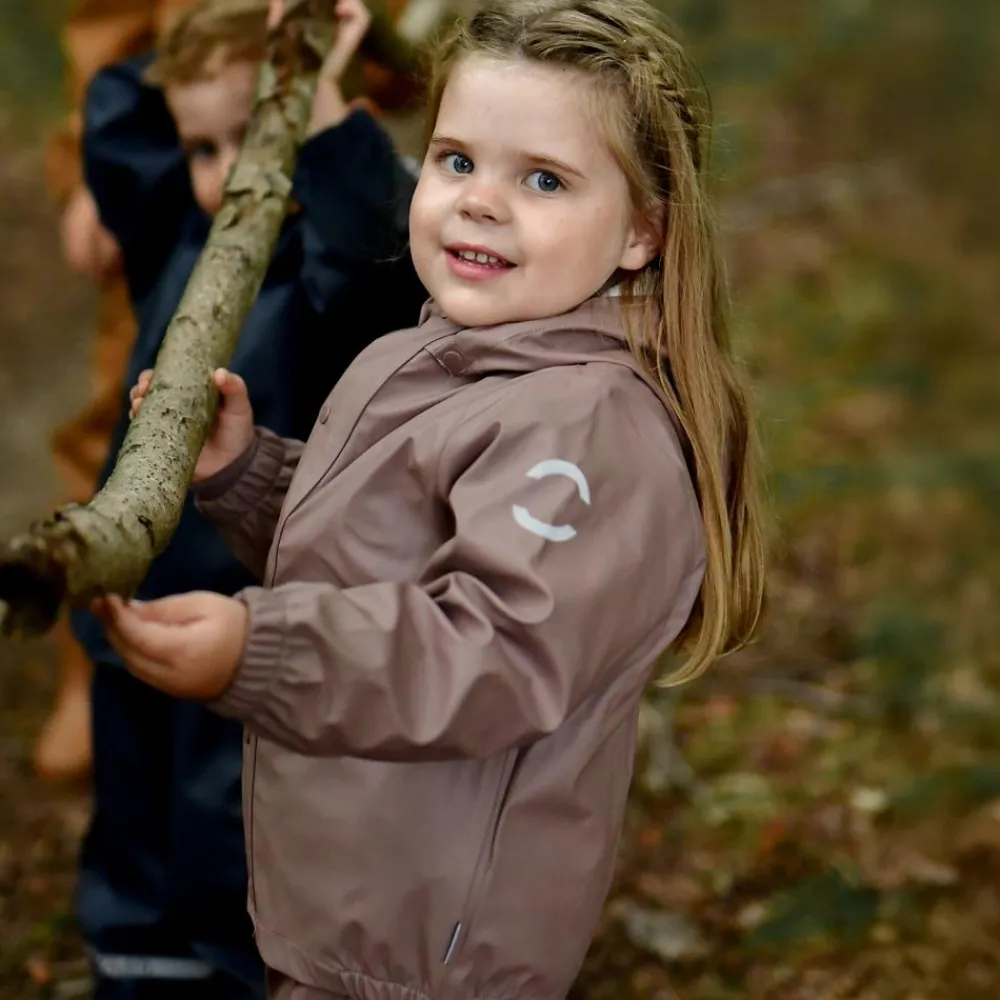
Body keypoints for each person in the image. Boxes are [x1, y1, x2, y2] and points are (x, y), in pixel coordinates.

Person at [99, 0, 766, 997]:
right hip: (348, 908)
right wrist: (248, 476)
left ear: (641, 230)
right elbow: (382, 558)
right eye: (457, 161)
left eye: (543, 179)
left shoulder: (582, 426)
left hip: (425, 955)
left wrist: (262, 649)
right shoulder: (437, 352)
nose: (480, 202)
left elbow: (490, 653)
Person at [73, 0, 427, 997]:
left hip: (255, 612)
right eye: (204, 147)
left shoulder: (337, 264)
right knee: (133, 806)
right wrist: (250, 25)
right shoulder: (177, 236)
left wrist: (316, 100)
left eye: (257, 140)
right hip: (137, 593)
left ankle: (238, 970)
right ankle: (136, 965)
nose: (234, 173)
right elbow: (122, 116)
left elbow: (375, 249)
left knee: (231, 819)